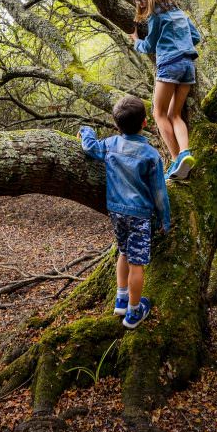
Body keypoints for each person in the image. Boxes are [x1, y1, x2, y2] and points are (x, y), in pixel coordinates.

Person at [79, 95, 171, 329]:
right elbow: (160, 192)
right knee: (137, 263)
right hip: (140, 215)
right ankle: (133, 311)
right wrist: (165, 220)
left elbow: (89, 147)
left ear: (116, 124)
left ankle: (121, 298)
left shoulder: (110, 145)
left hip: (116, 211)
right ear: (145, 123)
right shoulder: (151, 155)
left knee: (123, 252)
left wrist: (87, 130)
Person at [128, 0, 201, 180]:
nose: (140, 2)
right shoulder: (179, 12)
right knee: (174, 114)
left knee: (158, 114)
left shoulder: (156, 16)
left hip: (169, 64)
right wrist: (182, 43)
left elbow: (149, 45)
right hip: (188, 65)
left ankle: (177, 159)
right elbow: (196, 37)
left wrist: (135, 40)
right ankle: (185, 154)